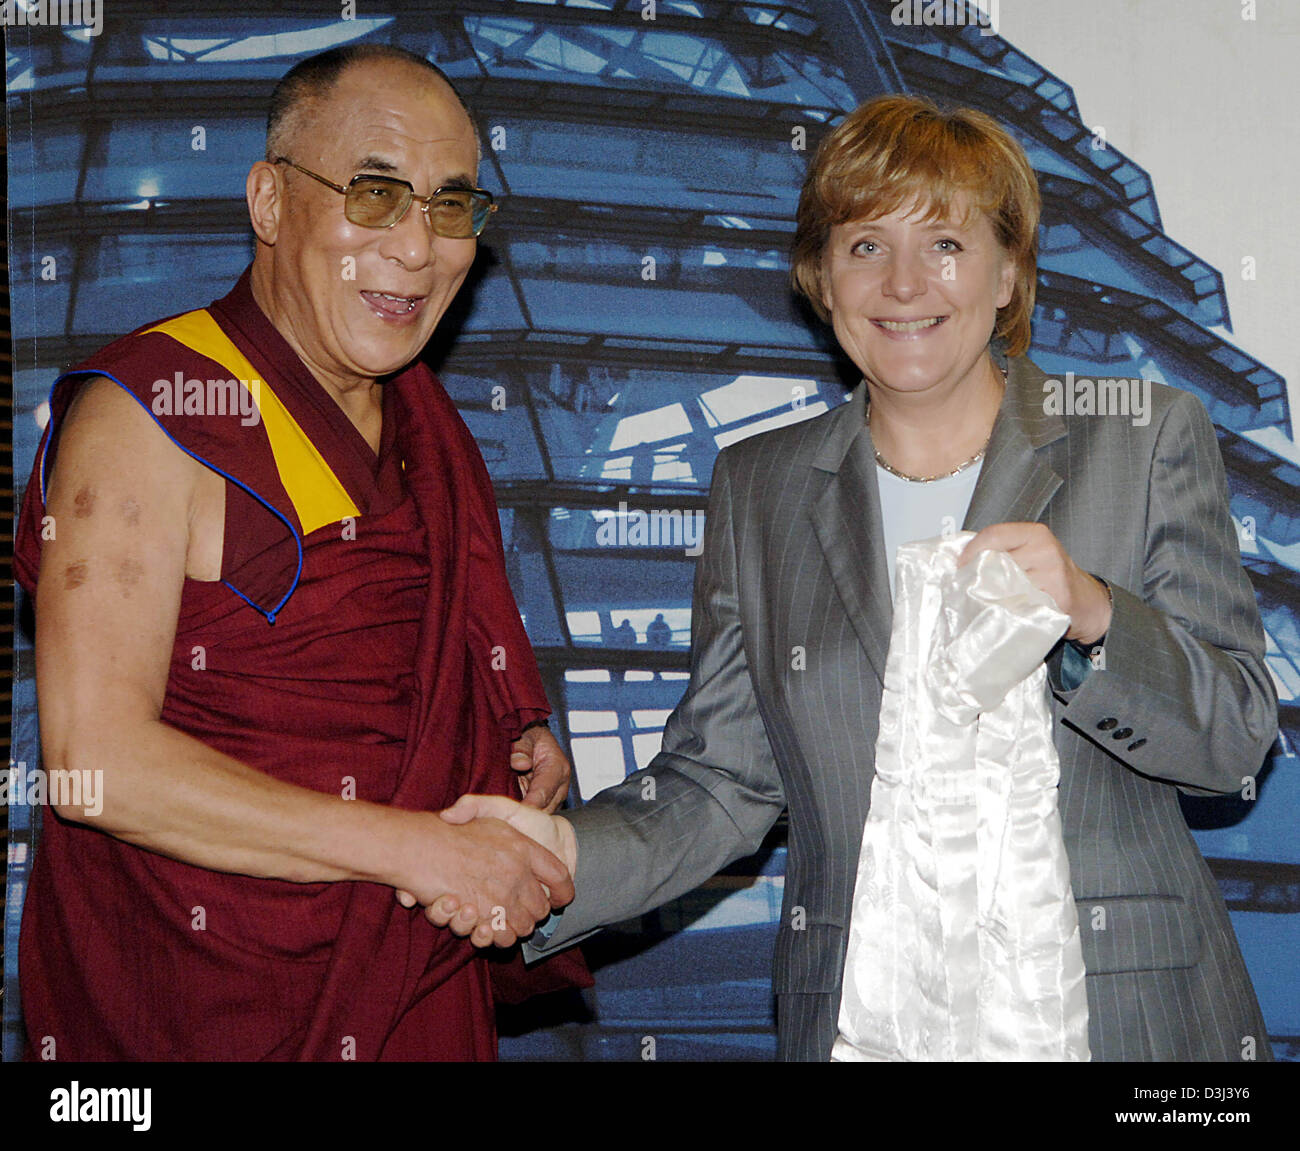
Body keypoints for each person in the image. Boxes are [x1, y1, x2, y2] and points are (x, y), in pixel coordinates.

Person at [438, 95, 1278, 1062]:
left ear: (1009, 274)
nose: (904, 282)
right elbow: (721, 781)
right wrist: (556, 858)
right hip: (867, 1022)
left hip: (1125, 1029)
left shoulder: (1142, 435)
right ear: (819, 278)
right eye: (866, 245)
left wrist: (1095, 619)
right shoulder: (758, 486)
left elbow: (1239, 738)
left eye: (948, 246)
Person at [12, 44, 579, 1062]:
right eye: (374, 194)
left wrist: (506, 731)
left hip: (403, 980)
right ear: (269, 203)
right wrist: (421, 848)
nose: (415, 246)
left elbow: (420, 667)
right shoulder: (153, 413)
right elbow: (96, 764)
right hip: (199, 1001)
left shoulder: (424, 424)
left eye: (451, 206)